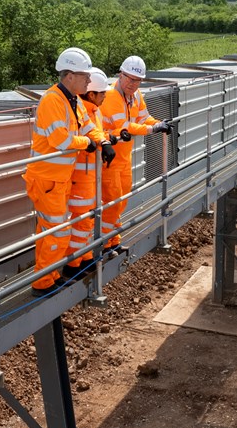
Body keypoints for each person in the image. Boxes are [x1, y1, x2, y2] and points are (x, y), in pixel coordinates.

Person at [24, 48, 114, 297]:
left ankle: (49, 276)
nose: (89, 80)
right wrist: (88, 144)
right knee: (58, 231)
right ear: (70, 76)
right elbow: (60, 140)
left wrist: (103, 141)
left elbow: (87, 127)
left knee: (50, 230)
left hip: (58, 179)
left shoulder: (73, 100)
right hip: (46, 178)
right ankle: (42, 283)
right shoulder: (53, 100)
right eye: (85, 76)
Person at [99, 55, 173, 256]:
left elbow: (144, 117)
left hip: (124, 157)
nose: (133, 83)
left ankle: (114, 240)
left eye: (137, 80)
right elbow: (124, 126)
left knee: (120, 201)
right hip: (109, 158)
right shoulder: (111, 96)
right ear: (120, 75)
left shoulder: (136, 95)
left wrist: (159, 123)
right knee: (111, 202)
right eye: (129, 78)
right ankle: (104, 245)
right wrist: (153, 129)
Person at [62, 67, 114, 278]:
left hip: (89, 174)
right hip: (80, 175)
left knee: (88, 219)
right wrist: (95, 142)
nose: (104, 98)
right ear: (91, 94)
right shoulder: (81, 108)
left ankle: (83, 258)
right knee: (81, 219)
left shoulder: (91, 110)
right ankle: (73, 264)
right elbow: (76, 138)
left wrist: (105, 140)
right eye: (102, 94)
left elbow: (94, 131)